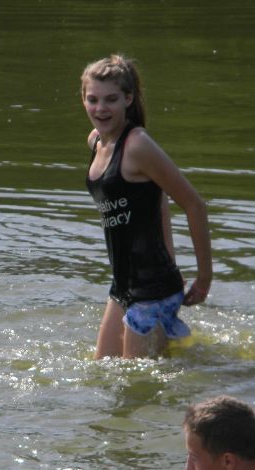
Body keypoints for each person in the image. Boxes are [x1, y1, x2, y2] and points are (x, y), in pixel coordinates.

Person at [81, 54, 212, 359]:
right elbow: (157, 197)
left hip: (153, 289)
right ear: (83, 100)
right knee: (102, 369)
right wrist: (172, 257)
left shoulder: (137, 145)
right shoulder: (97, 141)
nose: (101, 109)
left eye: (111, 99)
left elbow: (195, 205)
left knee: (137, 383)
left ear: (128, 99)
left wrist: (204, 278)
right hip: (123, 284)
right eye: (93, 99)